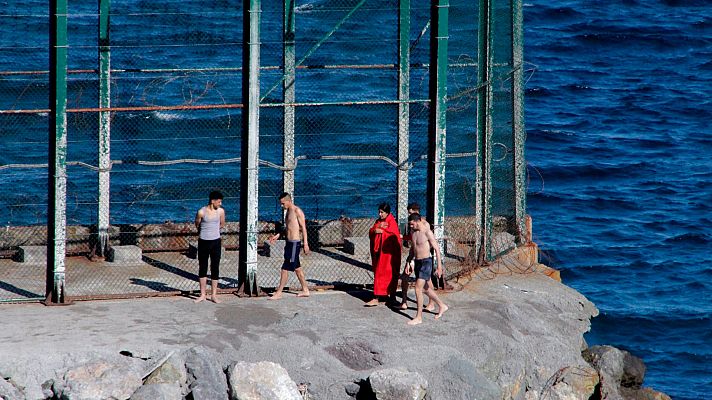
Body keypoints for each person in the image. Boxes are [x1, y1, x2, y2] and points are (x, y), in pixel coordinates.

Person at [404, 213, 448, 325]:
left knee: (418, 289)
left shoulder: (426, 231)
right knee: (426, 289)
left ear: (417, 221)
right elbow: (413, 249)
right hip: (418, 262)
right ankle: (442, 305)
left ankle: (418, 317)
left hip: (426, 262)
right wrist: (409, 261)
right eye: (409, 224)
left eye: (412, 224)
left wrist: (439, 267)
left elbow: (437, 249)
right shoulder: (413, 233)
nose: (410, 226)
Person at [268, 192, 311, 299]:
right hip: (288, 243)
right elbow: (288, 228)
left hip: (295, 244)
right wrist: (277, 235)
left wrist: (305, 243)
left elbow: (304, 229)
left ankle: (279, 292)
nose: (282, 206)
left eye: (283, 204)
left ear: (288, 201)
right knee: (297, 268)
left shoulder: (297, 211)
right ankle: (305, 290)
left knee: (285, 268)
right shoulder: (287, 212)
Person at [398, 203, 435, 311]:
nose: (409, 215)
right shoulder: (412, 224)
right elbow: (414, 240)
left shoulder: (424, 224)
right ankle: (404, 302)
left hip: (423, 257)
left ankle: (431, 303)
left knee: (427, 281)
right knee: (405, 276)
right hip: (413, 253)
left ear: (416, 211)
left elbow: (425, 241)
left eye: (410, 212)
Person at [365, 203, 401, 307]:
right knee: (378, 274)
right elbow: (372, 231)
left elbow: (394, 236)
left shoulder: (391, 222)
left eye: (382, 212)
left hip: (389, 255)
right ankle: (377, 296)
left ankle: (392, 297)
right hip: (379, 253)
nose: (380, 214)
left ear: (387, 213)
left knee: (391, 275)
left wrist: (382, 232)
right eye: (379, 212)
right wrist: (375, 231)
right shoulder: (378, 221)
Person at [194, 190, 226, 303]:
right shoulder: (201, 212)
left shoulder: (221, 211)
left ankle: (213, 294)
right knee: (203, 267)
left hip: (216, 241)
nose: (220, 203)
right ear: (212, 201)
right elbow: (197, 223)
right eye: (218, 201)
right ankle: (202, 294)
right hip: (203, 241)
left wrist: (214, 232)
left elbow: (222, 224)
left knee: (215, 267)